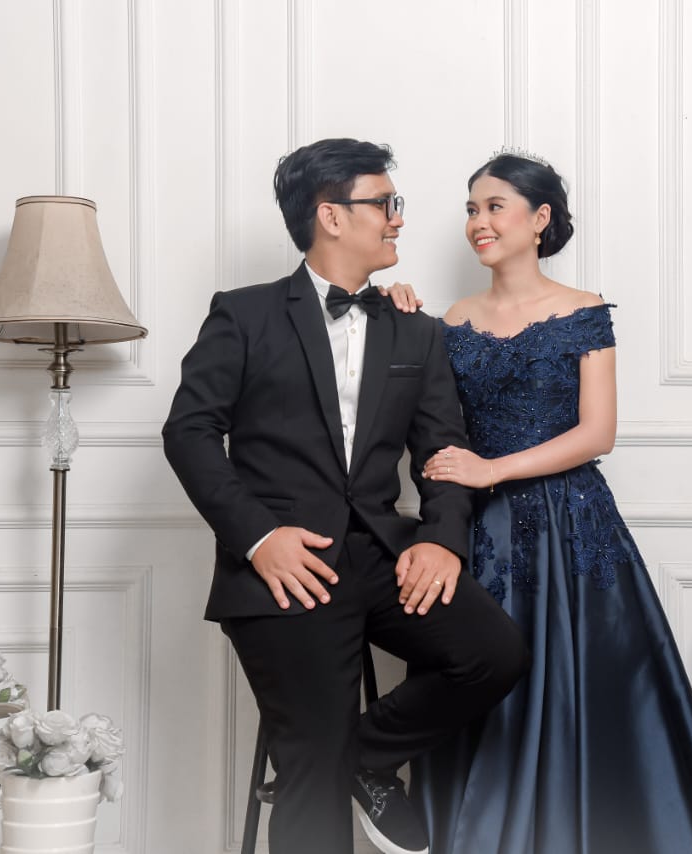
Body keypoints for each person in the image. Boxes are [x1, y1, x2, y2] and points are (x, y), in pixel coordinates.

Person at [162, 138, 529, 854]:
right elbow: (189, 433)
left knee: (495, 653)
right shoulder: (243, 314)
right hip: (286, 568)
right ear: (330, 216)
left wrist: (441, 539)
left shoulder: (416, 331)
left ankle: (363, 758)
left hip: (383, 556)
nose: (398, 218)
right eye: (385, 203)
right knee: (310, 772)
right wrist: (260, 539)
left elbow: (443, 453)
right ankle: (331, 765)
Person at [389, 152, 692, 853]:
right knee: (479, 677)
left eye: (495, 206)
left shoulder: (584, 312)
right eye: (471, 209)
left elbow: (597, 434)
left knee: (586, 687)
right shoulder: (451, 320)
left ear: (540, 218)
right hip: (481, 534)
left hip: (571, 524)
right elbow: (424, 411)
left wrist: (491, 468)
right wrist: (397, 310)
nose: (479, 222)